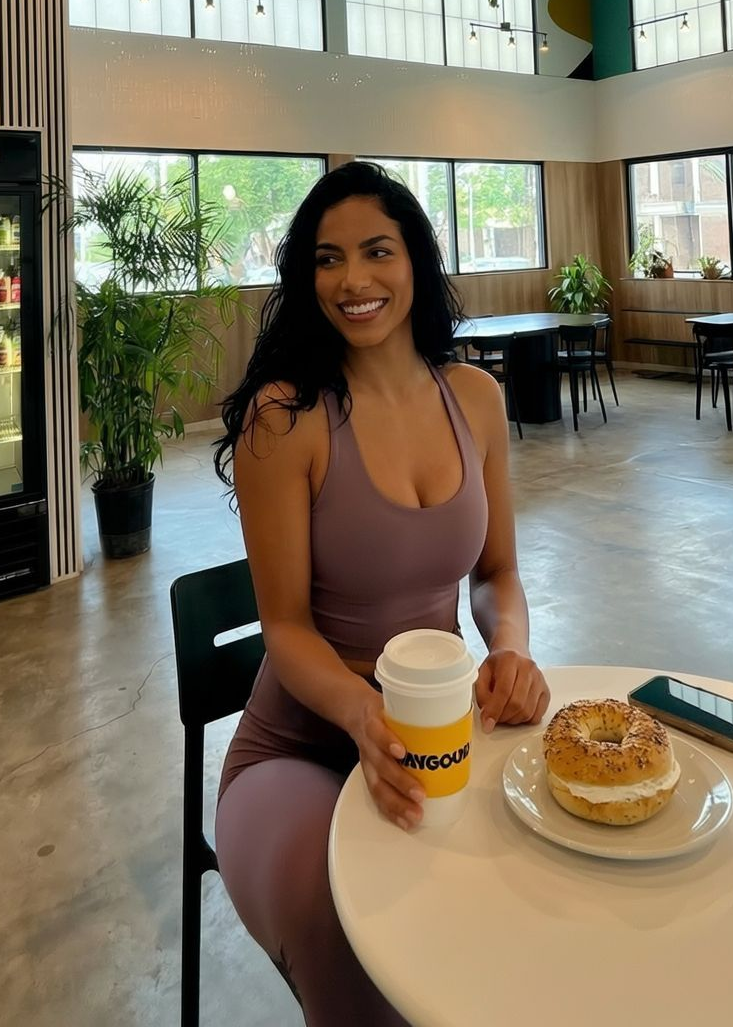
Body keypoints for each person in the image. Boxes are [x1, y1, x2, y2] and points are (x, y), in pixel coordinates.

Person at [212, 161, 551, 1026]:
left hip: (439, 731)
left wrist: (511, 647)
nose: (352, 280)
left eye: (376, 251)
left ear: (415, 262)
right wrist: (364, 715)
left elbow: (496, 574)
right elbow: (285, 628)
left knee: (524, 903)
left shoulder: (475, 398)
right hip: (295, 751)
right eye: (327, 259)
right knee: (348, 928)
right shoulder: (285, 418)